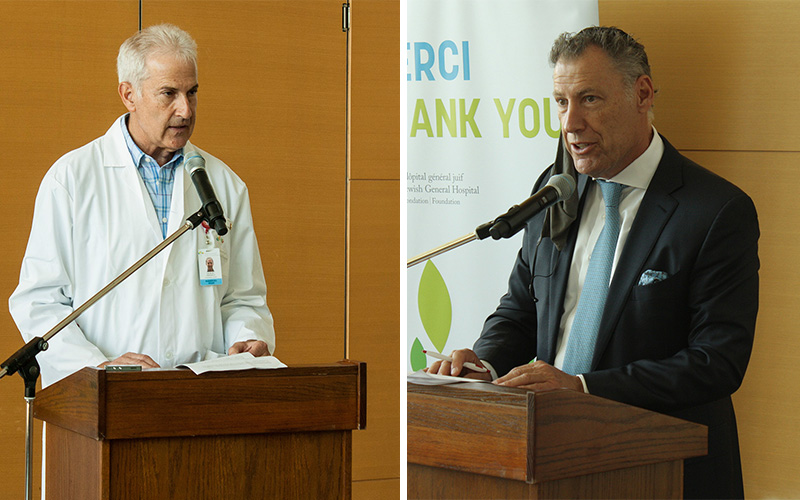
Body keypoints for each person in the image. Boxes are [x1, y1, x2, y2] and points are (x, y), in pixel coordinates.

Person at [427, 26, 758, 499]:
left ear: (641, 94)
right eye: (561, 102)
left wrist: (582, 389)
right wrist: (484, 363)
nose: (570, 123)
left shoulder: (714, 211)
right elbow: (520, 311)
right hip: (552, 465)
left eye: (589, 100)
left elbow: (716, 361)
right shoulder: (554, 188)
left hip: (664, 472)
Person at [9, 24, 275, 388]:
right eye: (169, 93)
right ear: (128, 94)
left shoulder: (225, 185)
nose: (185, 109)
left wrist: (247, 337)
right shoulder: (72, 178)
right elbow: (40, 301)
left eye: (192, 92)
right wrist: (98, 367)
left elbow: (243, 297)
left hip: (198, 396)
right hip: (105, 398)